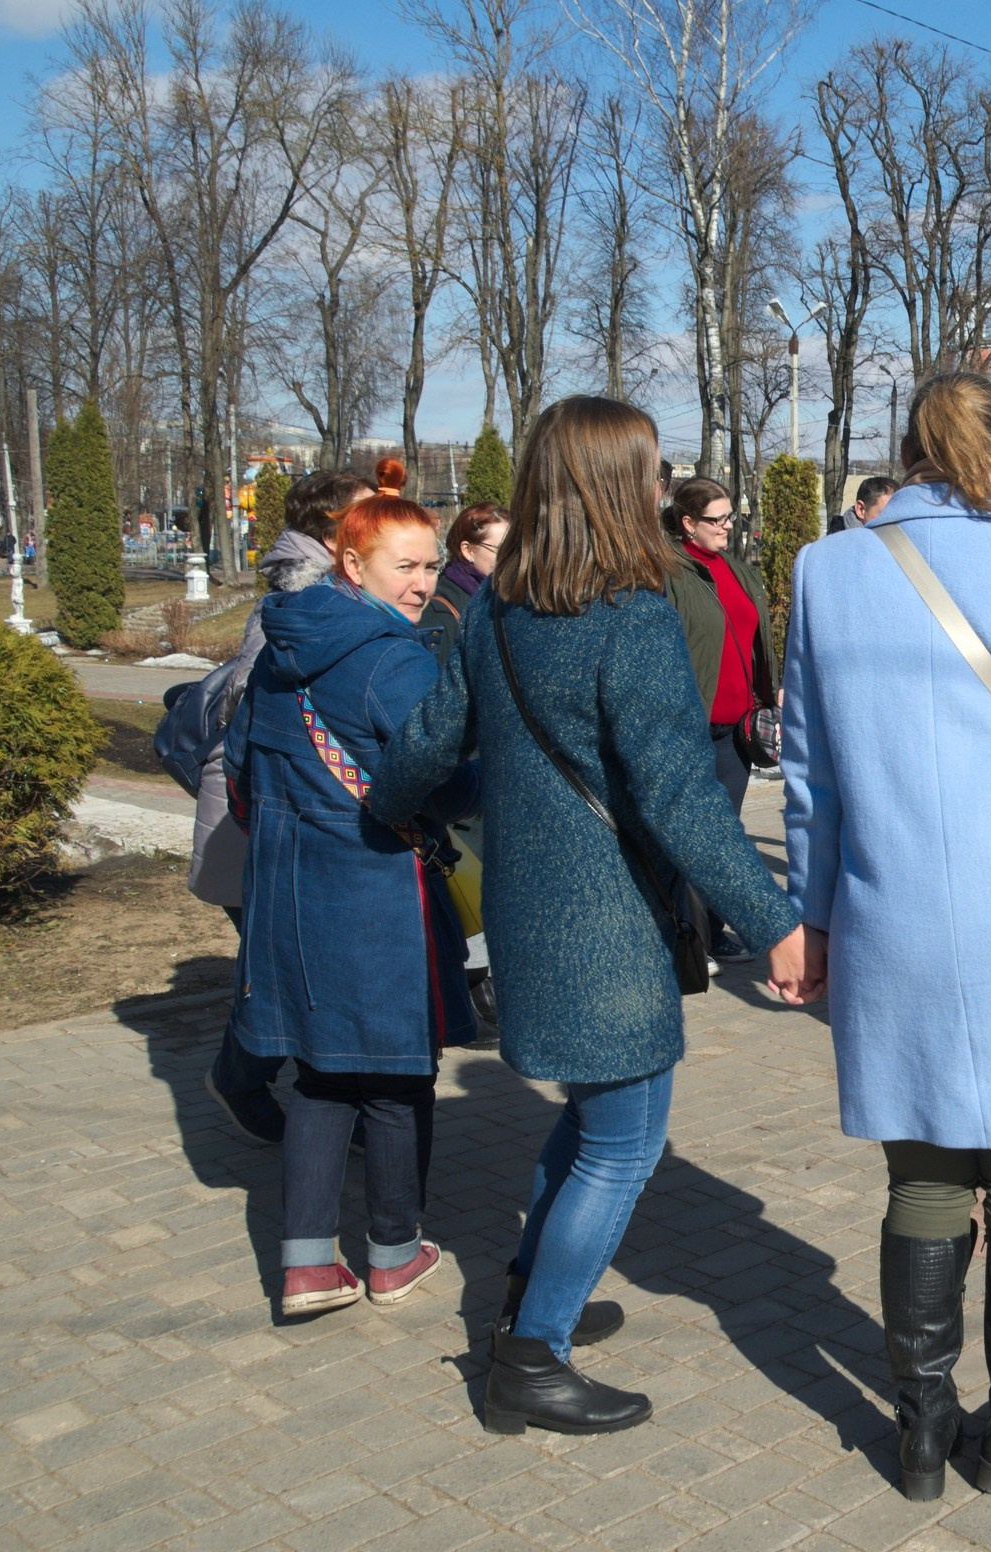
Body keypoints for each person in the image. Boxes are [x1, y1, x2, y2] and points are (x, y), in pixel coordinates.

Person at [374, 396, 809, 1438]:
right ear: (625, 486)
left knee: (588, 1114)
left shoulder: (495, 605)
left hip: (532, 906)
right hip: (607, 917)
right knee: (623, 1138)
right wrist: (775, 913)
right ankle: (529, 1357)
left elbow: (431, 746)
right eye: (656, 474)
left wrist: (389, 809)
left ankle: (534, 1298)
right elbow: (675, 792)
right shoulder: (634, 609)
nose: (666, 491)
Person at [779, 375, 991, 1501]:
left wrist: (813, 913)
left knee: (922, 1171)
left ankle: (921, 1428)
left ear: (908, 446)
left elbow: (807, 772)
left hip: (893, 903)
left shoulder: (827, 568)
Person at [224, 495, 477, 1319]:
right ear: (352, 564)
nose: (422, 582)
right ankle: (395, 1253)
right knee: (398, 1078)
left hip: (290, 887)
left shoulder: (281, 644)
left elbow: (241, 765)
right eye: (404, 564)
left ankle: (304, 1265)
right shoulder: (390, 660)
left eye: (431, 563)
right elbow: (436, 779)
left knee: (323, 1076)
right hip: (374, 890)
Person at [191, 468, 376, 1144]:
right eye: (367, 514)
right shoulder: (298, 599)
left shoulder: (336, 589)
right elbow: (248, 707)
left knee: (304, 974)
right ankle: (248, 1078)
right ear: (334, 529)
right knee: (290, 978)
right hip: (265, 825)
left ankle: (340, 1105)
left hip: (299, 821)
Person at [660, 478, 776, 817]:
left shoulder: (740, 572)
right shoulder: (667, 574)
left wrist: (772, 689)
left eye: (730, 516)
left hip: (738, 731)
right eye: (718, 519)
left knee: (726, 831)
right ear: (689, 524)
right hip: (692, 729)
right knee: (689, 834)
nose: (728, 526)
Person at [418, 501, 509, 656]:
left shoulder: (501, 598)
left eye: (514, 549)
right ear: (468, 550)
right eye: (501, 550)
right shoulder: (439, 613)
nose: (510, 558)